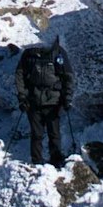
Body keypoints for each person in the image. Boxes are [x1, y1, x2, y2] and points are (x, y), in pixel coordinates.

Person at [15, 35, 70, 166]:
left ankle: (55, 160)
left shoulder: (58, 54)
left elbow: (68, 76)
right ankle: (38, 161)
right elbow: (19, 75)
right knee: (38, 134)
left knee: (52, 133)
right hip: (35, 101)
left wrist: (67, 98)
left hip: (52, 101)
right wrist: (22, 97)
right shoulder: (29, 55)